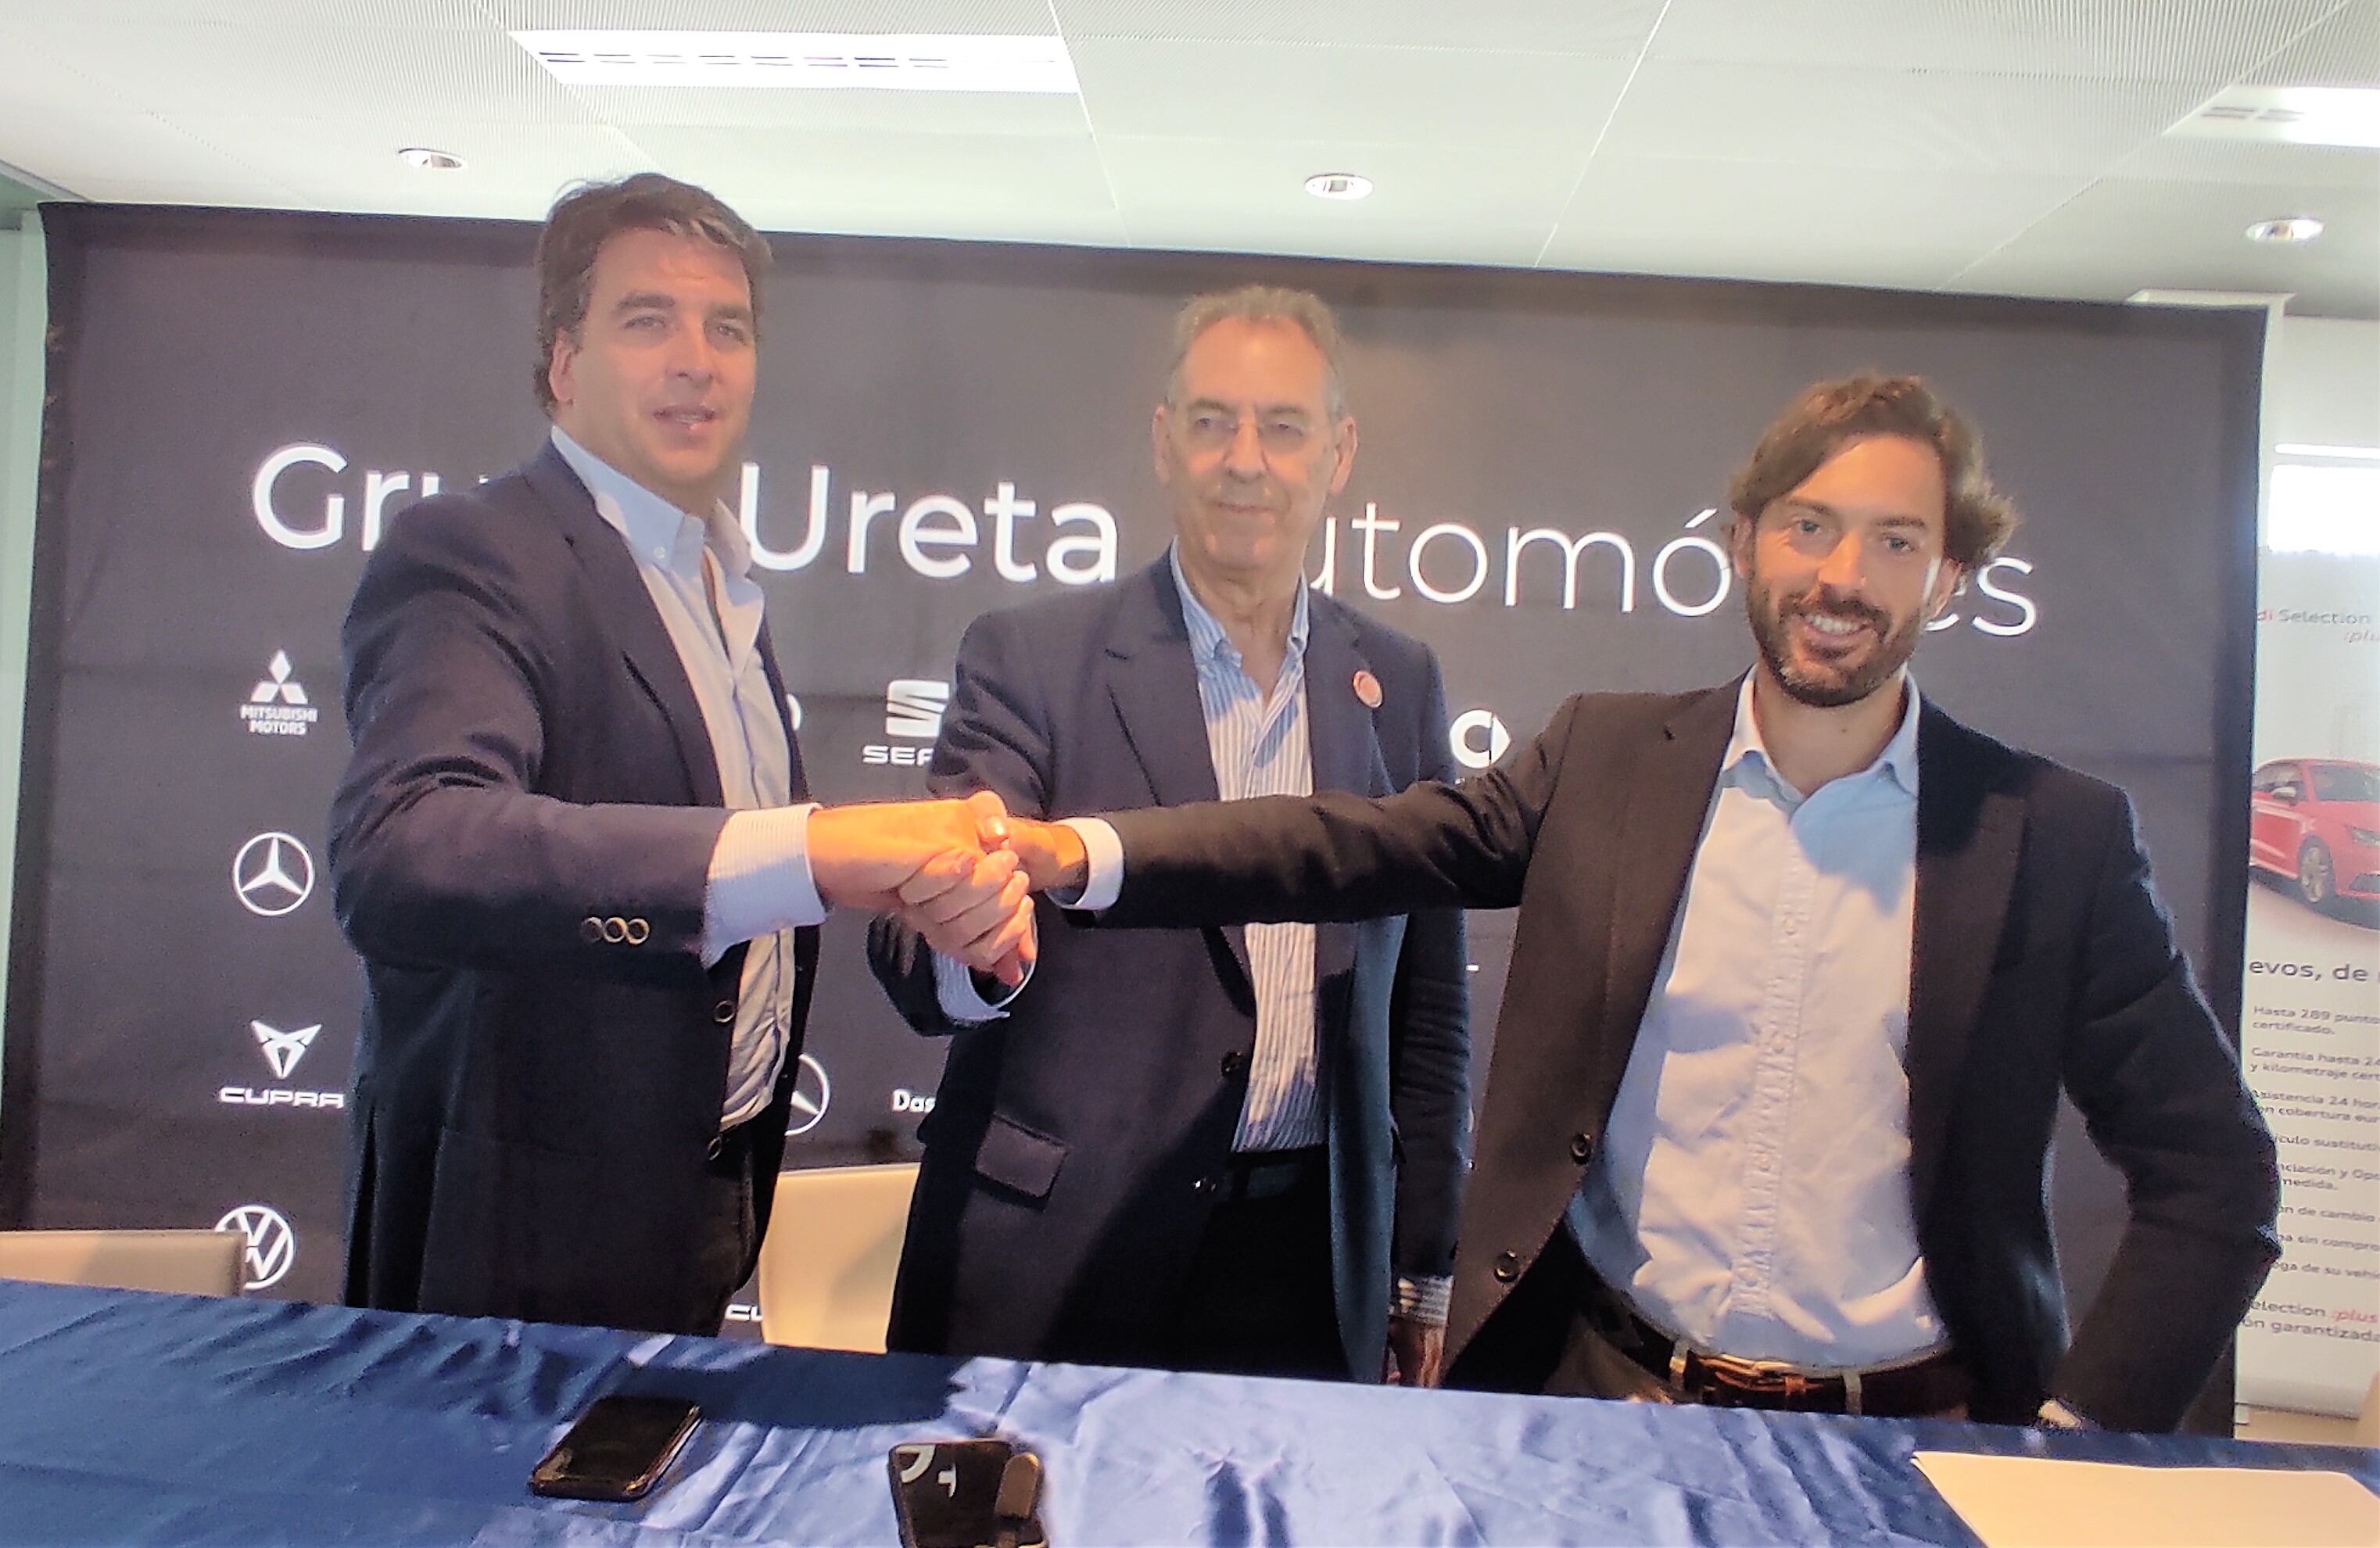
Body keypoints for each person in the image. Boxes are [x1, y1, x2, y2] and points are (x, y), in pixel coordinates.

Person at [992, 374, 2280, 1431]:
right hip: (1601, 1408)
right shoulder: (1605, 764)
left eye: (1897, 541)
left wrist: (2084, 1437)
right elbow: (1349, 844)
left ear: (1949, 579)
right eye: (1810, 525)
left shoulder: (2051, 838)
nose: (1843, 575)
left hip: (1916, 1435)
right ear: (1744, 544)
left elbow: (2218, 1178)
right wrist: (1080, 852)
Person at [328, 174, 1030, 1335]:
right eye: (647, 320)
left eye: (729, 328)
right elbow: (405, 850)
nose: (696, 359)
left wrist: (962, 926)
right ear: (564, 363)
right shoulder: (474, 550)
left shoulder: (718, 588)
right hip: (510, 1241)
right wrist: (816, 849)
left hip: (695, 1212)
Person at [868, 287, 1471, 1384]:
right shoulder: (1030, 660)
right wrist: (968, 935)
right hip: (1060, 1257)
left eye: (1283, 427)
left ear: (1338, 455)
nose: (1247, 459)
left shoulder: (1401, 684)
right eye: (1212, 421)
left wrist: (1423, 1267)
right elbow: (922, 945)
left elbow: (1426, 1001)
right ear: (1163, 441)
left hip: (1311, 1265)